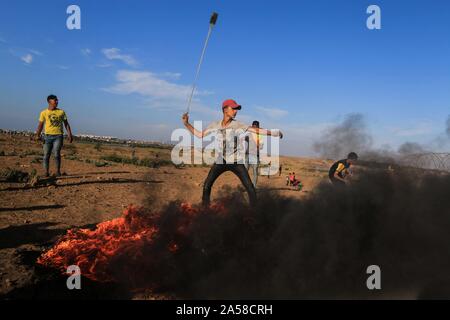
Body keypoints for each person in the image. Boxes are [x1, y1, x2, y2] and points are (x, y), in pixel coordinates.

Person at [182, 99, 283, 206]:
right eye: (233, 108)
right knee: (207, 185)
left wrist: (274, 133)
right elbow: (200, 135)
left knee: (250, 188)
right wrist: (186, 124)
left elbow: (256, 130)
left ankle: (254, 213)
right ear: (225, 110)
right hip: (221, 160)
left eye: (236, 109)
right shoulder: (215, 125)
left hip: (236, 162)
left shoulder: (238, 124)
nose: (236, 111)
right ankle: (205, 210)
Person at [35, 95, 73, 177]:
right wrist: (37, 135)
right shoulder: (43, 112)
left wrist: (70, 134)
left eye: (57, 100)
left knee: (56, 154)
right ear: (49, 102)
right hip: (47, 136)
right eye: (55, 100)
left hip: (58, 136)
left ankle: (57, 171)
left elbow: (66, 124)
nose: (57, 102)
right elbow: (40, 125)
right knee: (46, 155)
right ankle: (46, 172)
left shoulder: (61, 112)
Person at [247, 120, 263, 188]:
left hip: (255, 155)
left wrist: (258, 144)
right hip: (247, 154)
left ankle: (254, 186)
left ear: (258, 127)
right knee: (244, 171)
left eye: (256, 126)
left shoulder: (260, 136)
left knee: (255, 171)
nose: (254, 128)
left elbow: (261, 146)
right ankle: (246, 185)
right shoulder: (249, 134)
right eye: (253, 126)